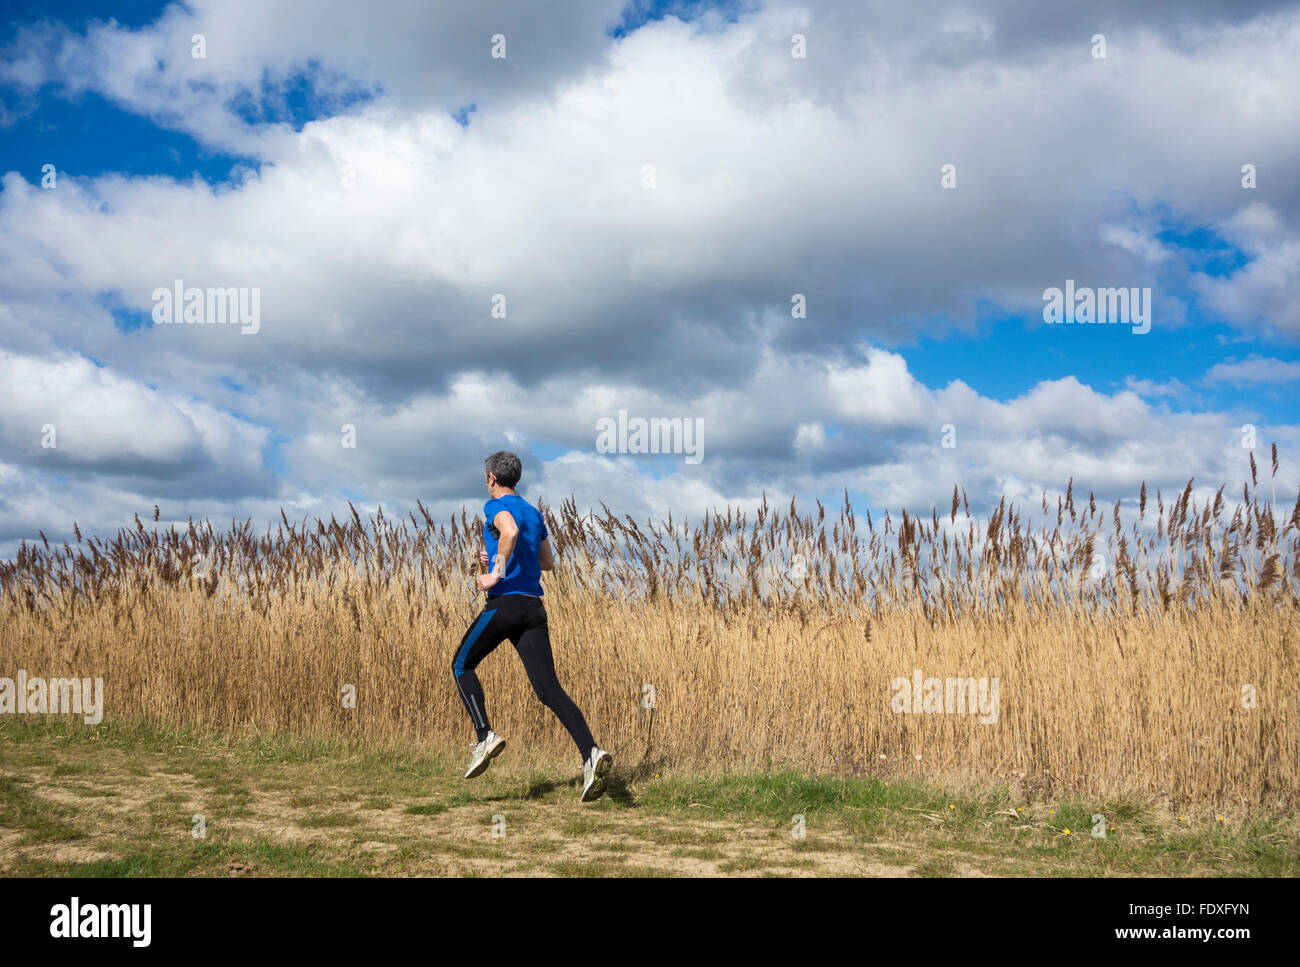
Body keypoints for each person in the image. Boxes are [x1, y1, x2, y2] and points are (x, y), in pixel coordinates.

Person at [451, 451, 613, 802]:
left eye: (486, 476)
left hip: (505, 604)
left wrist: (495, 572)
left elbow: (508, 529)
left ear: (492, 478)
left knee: (461, 664)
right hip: (533, 609)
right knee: (548, 689)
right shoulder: (535, 512)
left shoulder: (495, 506)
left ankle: (484, 737)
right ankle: (591, 753)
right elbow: (547, 562)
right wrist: (493, 553)